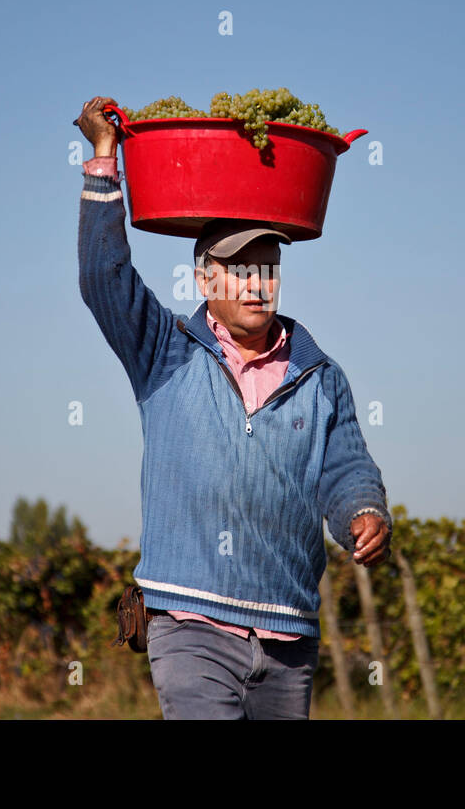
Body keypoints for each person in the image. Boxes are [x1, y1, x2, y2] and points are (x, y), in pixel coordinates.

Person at [74, 95, 391, 719]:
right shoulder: (166, 351)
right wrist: (104, 160)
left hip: (287, 636)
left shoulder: (319, 376)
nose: (255, 283)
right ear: (204, 279)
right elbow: (103, 280)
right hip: (189, 625)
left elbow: (345, 467)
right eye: (239, 268)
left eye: (267, 268)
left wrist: (362, 509)